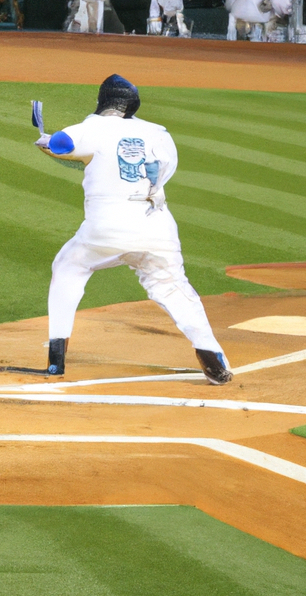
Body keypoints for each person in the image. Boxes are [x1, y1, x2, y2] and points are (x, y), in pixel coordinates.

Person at [34, 75, 232, 384]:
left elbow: (63, 143)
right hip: (156, 224)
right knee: (173, 287)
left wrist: (46, 141)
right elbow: (162, 170)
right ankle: (211, 352)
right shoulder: (158, 133)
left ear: (102, 101)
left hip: (106, 228)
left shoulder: (91, 128)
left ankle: (56, 358)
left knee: (68, 266)